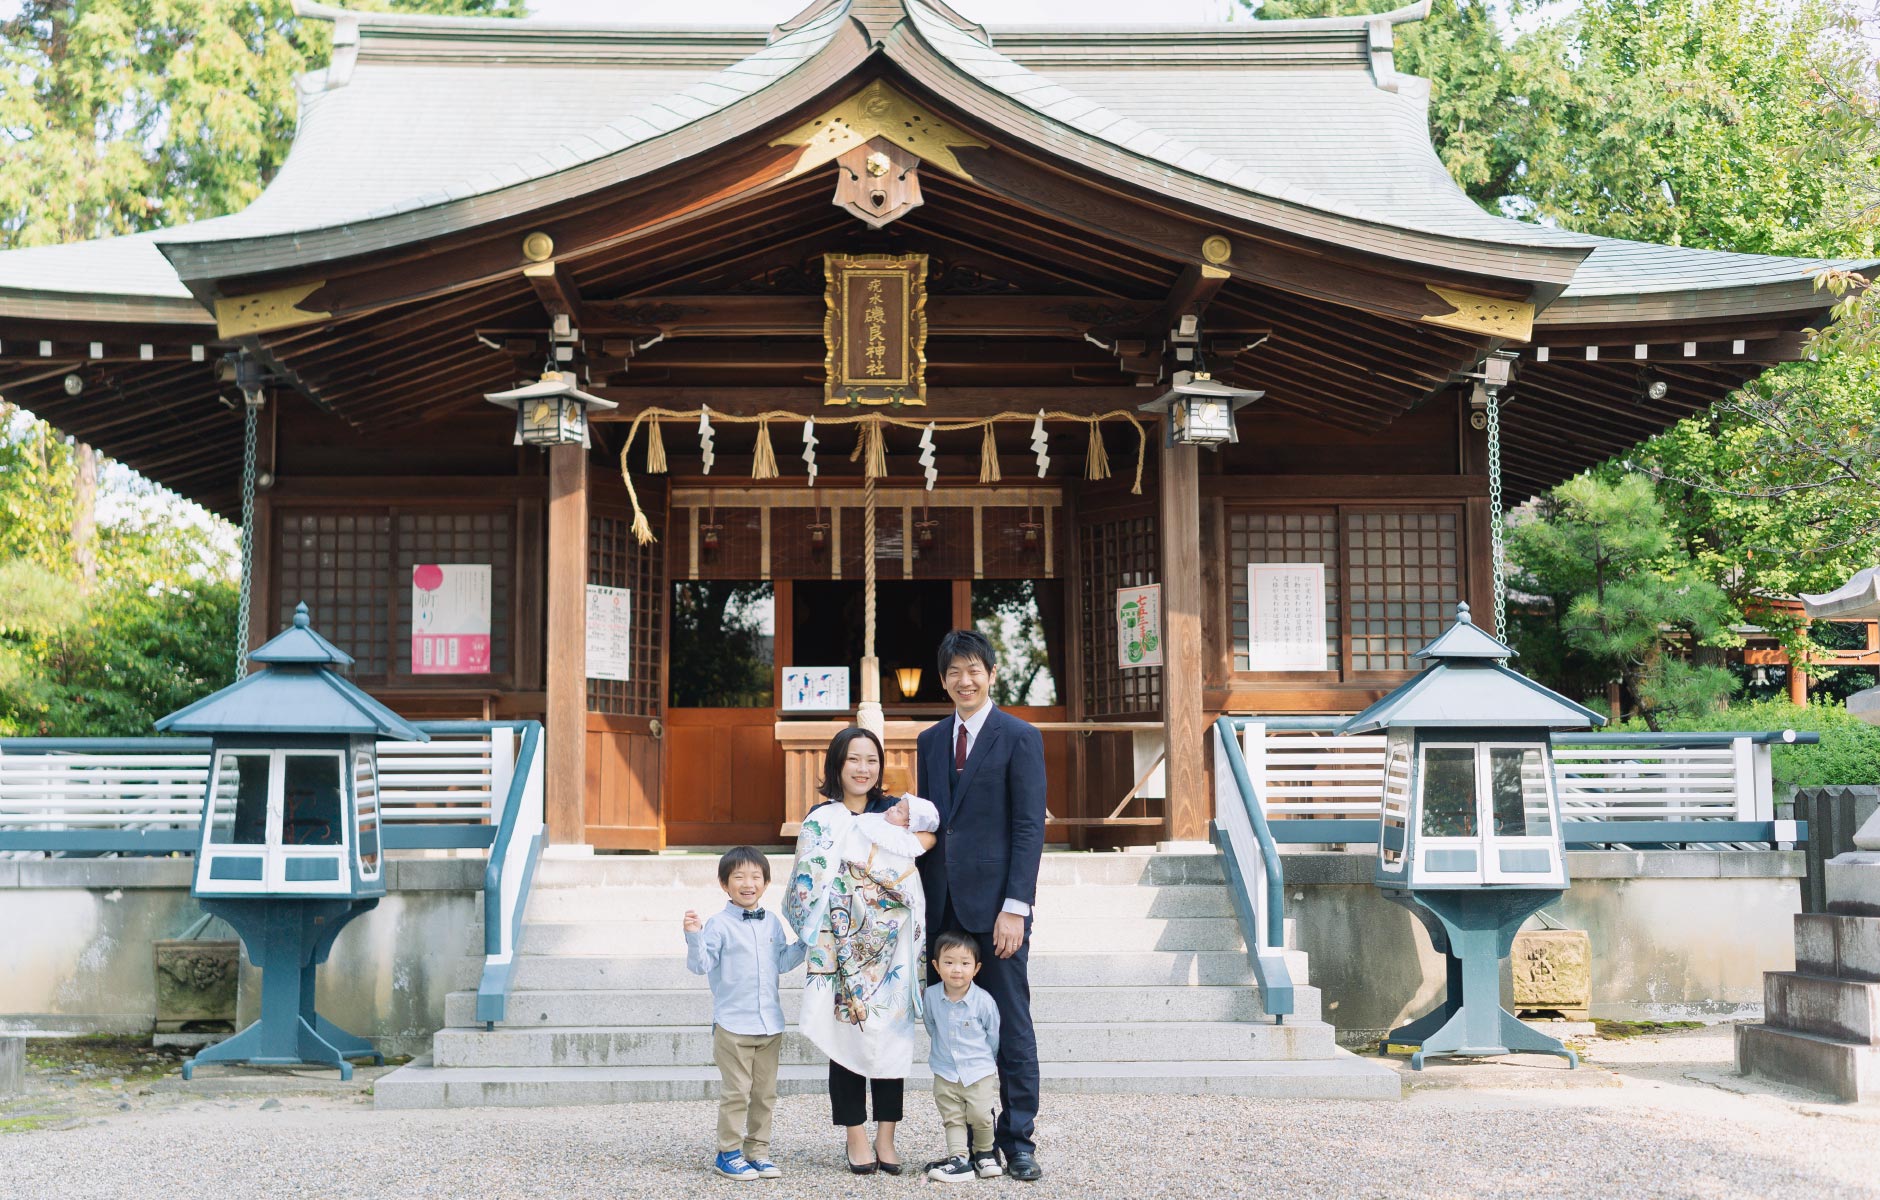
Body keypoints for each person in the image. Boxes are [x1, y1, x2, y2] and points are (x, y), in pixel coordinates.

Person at [915, 628, 1046, 1182]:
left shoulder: (1020, 737)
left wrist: (1016, 906)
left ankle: (1017, 1141)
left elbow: (1026, 827)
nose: (964, 681)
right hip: (942, 909)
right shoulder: (929, 741)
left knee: (1010, 1025)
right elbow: (930, 825)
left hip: (997, 912)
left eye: (973, 670)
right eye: (953, 673)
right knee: (952, 1030)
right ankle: (972, 1143)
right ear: (944, 681)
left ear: (992, 674)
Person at [784, 726, 939, 1175]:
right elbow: (805, 880)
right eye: (854, 759)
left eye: (871, 760)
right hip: (839, 944)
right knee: (845, 1036)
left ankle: (886, 1135)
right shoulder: (821, 816)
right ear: (837, 764)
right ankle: (855, 1135)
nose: (863, 768)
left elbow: (926, 841)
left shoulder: (895, 811)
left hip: (889, 945)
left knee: (891, 1038)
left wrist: (901, 849)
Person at [683, 845, 807, 1181]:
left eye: (755, 876)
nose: (747, 883)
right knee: (737, 1091)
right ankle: (728, 1153)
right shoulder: (718, 925)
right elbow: (700, 965)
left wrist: (806, 943)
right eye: (739, 876)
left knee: (765, 1093)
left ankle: (758, 1151)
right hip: (733, 1026)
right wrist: (693, 937)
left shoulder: (772, 924)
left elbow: (782, 962)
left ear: (766, 883)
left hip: (770, 1025)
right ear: (725, 884)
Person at [922, 930, 1003, 1183]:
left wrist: (984, 1062)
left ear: (976, 968)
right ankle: (958, 1157)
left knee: (980, 1115)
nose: (957, 969)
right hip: (945, 1070)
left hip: (978, 1071)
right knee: (953, 1118)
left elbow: (993, 1035)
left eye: (965, 963)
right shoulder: (932, 996)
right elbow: (931, 1025)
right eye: (949, 962)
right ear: (936, 966)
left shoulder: (983, 1001)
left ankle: (984, 1153)